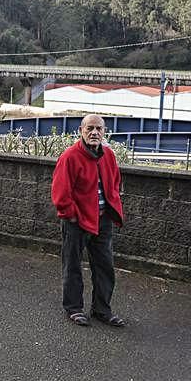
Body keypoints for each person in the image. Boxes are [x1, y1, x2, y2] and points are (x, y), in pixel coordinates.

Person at [51, 114, 126, 327]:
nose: (94, 133)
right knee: (73, 266)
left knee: (105, 267)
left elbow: (114, 183)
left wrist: (112, 207)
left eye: (99, 129)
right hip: (77, 221)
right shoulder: (70, 156)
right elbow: (60, 192)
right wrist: (71, 215)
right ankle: (74, 308)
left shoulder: (108, 155)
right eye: (90, 128)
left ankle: (102, 310)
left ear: (104, 131)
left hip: (102, 220)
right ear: (81, 131)